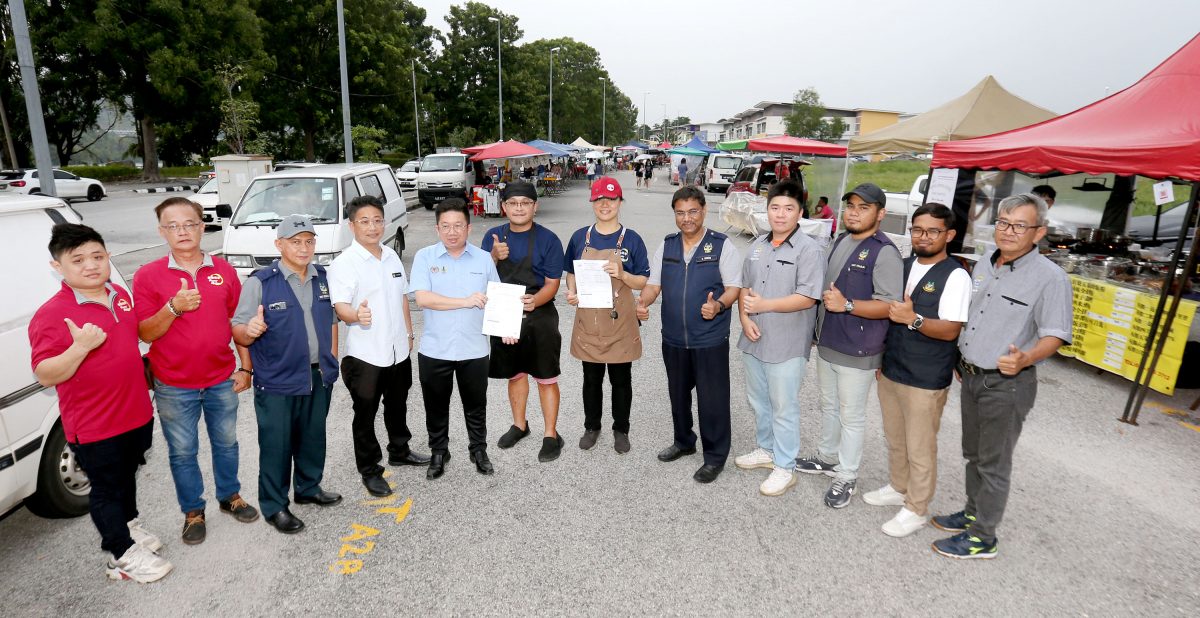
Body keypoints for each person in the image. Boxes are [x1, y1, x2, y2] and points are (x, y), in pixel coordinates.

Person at [931, 193, 1072, 560]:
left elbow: (1055, 334)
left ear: (1038, 232)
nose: (1008, 232)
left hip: (1007, 384)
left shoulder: (1050, 279)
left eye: (1019, 226)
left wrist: (1027, 357)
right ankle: (973, 511)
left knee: (994, 462)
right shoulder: (983, 265)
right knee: (973, 453)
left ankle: (983, 536)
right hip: (972, 376)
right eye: (1004, 223)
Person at [30, 223, 172, 583]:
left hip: (136, 413)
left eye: (97, 256)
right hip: (95, 425)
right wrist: (79, 348)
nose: (91, 265)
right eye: (78, 260)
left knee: (127, 477)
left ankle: (128, 526)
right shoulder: (52, 314)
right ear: (58, 268)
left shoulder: (118, 296)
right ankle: (120, 556)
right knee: (106, 488)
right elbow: (46, 373)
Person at [133, 197, 258, 546]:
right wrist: (173, 307)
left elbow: (238, 323)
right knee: (183, 451)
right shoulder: (147, 276)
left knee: (227, 443)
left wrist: (246, 368)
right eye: (172, 226)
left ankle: (230, 496)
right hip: (174, 384)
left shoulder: (224, 271)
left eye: (189, 223)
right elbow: (145, 332)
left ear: (203, 226)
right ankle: (193, 511)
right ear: (162, 231)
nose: (182, 231)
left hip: (221, 378)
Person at [862, 203, 970, 538]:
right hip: (893, 367)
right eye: (917, 230)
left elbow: (951, 329)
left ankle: (917, 508)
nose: (923, 237)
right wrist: (881, 360)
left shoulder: (956, 275)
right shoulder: (903, 265)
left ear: (949, 235)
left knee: (920, 445)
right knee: (895, 437)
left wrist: (914, 319)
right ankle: (898, 486)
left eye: (933, 231)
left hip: (926, 376)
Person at [232, 214, 342, 535]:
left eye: (309, 241)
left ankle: (308, 488)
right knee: (276, 444)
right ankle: (275, 505)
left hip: (317, 375)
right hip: (278, 379)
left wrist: (331, 358)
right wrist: (249, 330)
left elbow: (332, 320)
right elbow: (238, 330)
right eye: (296, 242)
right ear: (279, 245)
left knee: (312, 437)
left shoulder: (322, 277)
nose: (304, 248)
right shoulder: (261, 283)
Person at [798, 183, 903, 508]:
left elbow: (890, 305)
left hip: (858, 348)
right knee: (828, 406)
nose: (855, 212)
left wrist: (846, 306)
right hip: (829, 342)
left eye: (864, 207)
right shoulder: (842, 239)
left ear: (880, 214)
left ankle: (847, 475)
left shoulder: (884, 252)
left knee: (852, 416)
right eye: (852, 206)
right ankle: (828, 458)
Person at [327, 196, 430, 499]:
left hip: (398, 348)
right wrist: (355, 316)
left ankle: (400, 450)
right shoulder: (344, 264)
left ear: (384, 222)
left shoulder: (391, 256)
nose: (372, 227)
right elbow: (341, 307)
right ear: (352, 225)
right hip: (366, 354)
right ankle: (370, 470)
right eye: (364, 221)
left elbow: (401, 298)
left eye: (377, 220)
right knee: (365, 413)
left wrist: (409, 334)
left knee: (397, 404)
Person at [638, 186, 742, 483]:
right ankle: (684, 441)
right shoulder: (667, 246)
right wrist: (642, 302)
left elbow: (734, 287)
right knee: (678, 395)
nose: (687, 219)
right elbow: (653, 285)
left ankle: (715, 456)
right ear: (675, 214)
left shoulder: (722, 245)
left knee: (713, 399)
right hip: (673, 337)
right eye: (681, 213)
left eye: (693, 211)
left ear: (704, 210)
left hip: (708, 338)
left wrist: (719, 305)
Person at [733, 179, 825, 496]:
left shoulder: (810, 250)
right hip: (755, 338)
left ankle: (785, 467)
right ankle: (766, 449)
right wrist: (745, 317)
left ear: (800, 212)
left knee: (784, 407)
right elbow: (745, 286)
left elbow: (808, 298)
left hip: (787, 344)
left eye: (788, 208)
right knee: (759, 401)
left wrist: (764, 305)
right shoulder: (757, 245)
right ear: (767, 210)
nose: (781, 215)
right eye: (775, 208)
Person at [410, 198, 501, 479]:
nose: (452, 232)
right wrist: (464, 301)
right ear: (437, 229)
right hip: (435, 348)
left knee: (476, 405)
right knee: (435, 406)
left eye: (458, 226)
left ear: (468, 228)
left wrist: (508, 324)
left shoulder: (484, 259)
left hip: (474, 348)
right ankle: (439, 451)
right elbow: (423, 299)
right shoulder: (425, 257)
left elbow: (497, 298)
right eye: (446, 226)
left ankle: (479, 449)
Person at [481, 181, 567, 462]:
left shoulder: (549, 239)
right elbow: (482, 278)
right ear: (503, 206)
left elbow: (553, 283)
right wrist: (493, 258)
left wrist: (536, 300)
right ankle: (520, 425)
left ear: (535, 206)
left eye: (525, 203)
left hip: (539, 313)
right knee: (515, 373)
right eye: (513, 203)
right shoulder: (492, 236)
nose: (519, 208)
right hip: (504, 312)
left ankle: (551, 434)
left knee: (545, 376)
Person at [564, 176, 650, 453]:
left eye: (611, 199)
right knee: (591, 378)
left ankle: (621, 428)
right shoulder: (580, 237)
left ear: (620, 202)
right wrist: (571, 292)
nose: (605, 204)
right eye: (599, 199)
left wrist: (623, 274)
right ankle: (592, 426)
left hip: (620, 320)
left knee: (621, 379)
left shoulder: (632, 239)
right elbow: (570, 274)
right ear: (592, 203)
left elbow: (643, 281)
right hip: (590, 318)